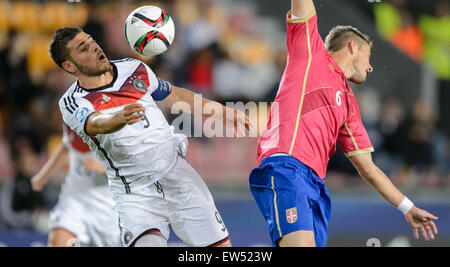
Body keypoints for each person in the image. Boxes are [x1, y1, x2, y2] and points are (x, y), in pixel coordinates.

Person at [249, 0, 438, 247]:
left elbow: (368, 168)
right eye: (368, 56)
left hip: (315, 186)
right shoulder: (309, 54)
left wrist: (407, 207)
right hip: (286, 168)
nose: (371, 67)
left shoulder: (349, 105)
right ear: (352, 46)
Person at [49, 26, 250, 247]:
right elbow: (95, 123)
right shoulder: (72, 101)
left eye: (91, 40)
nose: (94, 47)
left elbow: (174, 95)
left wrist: (221, 111)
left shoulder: (133, 68)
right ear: (69, 65)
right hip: (135, 194)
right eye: (83, 48)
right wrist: (118, 118)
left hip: (178, 175)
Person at [31, 124, 120, 247]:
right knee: (58, 242)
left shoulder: (118, 114)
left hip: (107, 203)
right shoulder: (71, 108)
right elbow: (67, 143)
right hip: (74, 197)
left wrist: (104, 168)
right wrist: (43, 176)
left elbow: (137, 164)